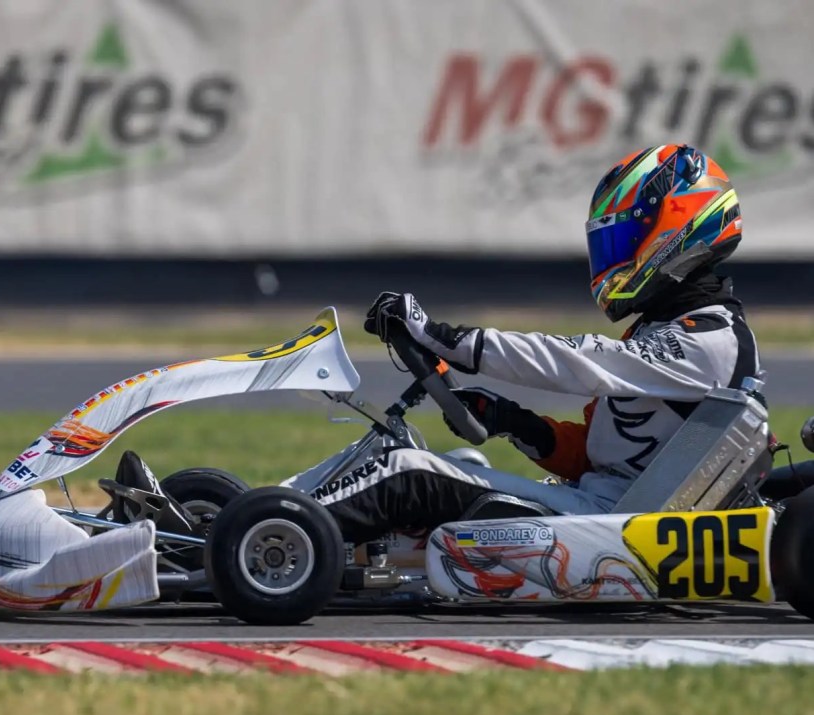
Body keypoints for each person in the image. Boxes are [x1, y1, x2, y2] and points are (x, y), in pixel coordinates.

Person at [285, 144, 757, 545]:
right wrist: (514, 421)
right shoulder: (665, 332)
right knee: (428, 458)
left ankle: (270, 532)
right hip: (601, 510)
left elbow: (576, 361)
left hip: (614, 530)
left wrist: (450, 341)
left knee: (406, 471)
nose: (616, 257)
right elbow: (598, 459)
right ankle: (254, 513)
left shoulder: (712, 341)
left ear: (678, 231)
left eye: (628, 237)